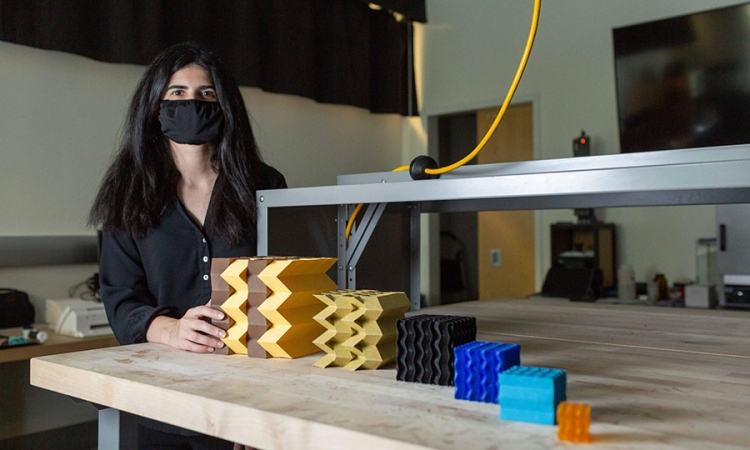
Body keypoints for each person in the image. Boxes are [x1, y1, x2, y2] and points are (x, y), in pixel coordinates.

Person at [88, 42, 285, 449]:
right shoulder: (126, 192)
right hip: (163, 394)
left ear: (224, 105)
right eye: (177, 93)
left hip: (245, 391)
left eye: (206, 93)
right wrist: (172, 329)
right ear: (155, 106)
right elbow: (120, 297)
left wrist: (261, 410)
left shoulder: (265, 185)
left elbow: (285, 290)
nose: (191, 102)